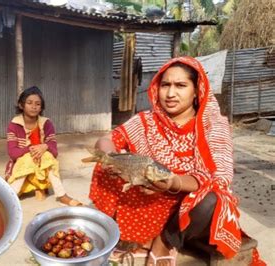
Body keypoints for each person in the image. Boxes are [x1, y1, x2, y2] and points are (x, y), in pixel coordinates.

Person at [89, 57, 265, 265]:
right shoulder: (146, 120)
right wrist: (112, 159)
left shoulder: (213, 126)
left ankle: (165, 240)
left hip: (184, 206)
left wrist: (173, 183)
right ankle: (138, 237)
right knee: (104, 167)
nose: (171, 94)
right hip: (146, 199)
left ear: (196, 90)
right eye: (165, 85)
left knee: (213, 199)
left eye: (181, 85)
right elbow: (108, 139)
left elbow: (220, 177)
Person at [5, 86, 82, 206]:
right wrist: (32, 148)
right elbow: (13, 153)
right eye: (29, 103)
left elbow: (54, 151)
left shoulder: (46, 123)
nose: (34, 106)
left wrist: (44, 146)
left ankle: (61, 195)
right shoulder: (14, 125)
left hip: (42, 165)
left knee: (47, 156)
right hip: (20, 167)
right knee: (28, 158)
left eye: (38, 104)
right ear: (21, 105)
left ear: (41, 107)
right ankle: (11, 195)